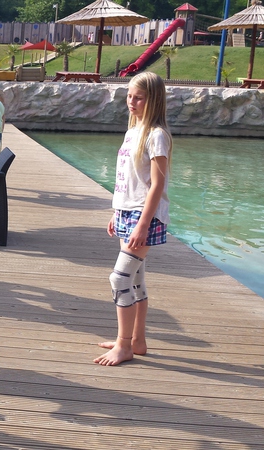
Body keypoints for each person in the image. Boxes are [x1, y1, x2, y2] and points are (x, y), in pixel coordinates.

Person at [94, 72, 172, 366]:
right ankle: (137, 340)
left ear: (153, 100)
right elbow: (128, 179)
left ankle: (124, 345)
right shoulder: (132, 132)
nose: (131, 101)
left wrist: (142, 223)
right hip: (126, 212)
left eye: (138, 97)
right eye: (129, 96)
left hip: (144, 215)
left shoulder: (156, 135)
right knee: (136, 279)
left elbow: (157, 185)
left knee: (120, 278)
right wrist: (116, 212)